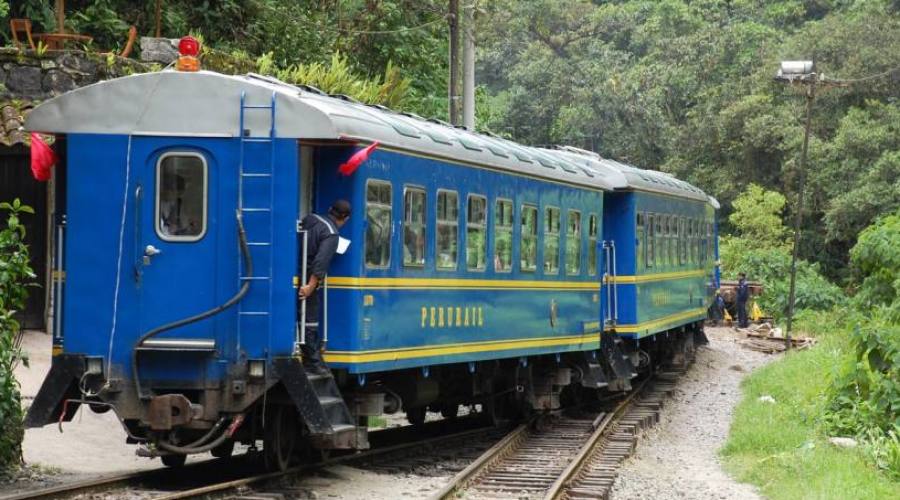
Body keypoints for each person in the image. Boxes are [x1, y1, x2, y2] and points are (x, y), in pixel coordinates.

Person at [298, 200, 351, 374]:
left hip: (295, 273)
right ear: (345, 219)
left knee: (301, 317)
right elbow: (320, 263)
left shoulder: (310, 219)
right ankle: (312, 362)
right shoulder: (331, 234)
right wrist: (311, 286)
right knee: (310, 319)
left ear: (330, 209)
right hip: (308, 278)